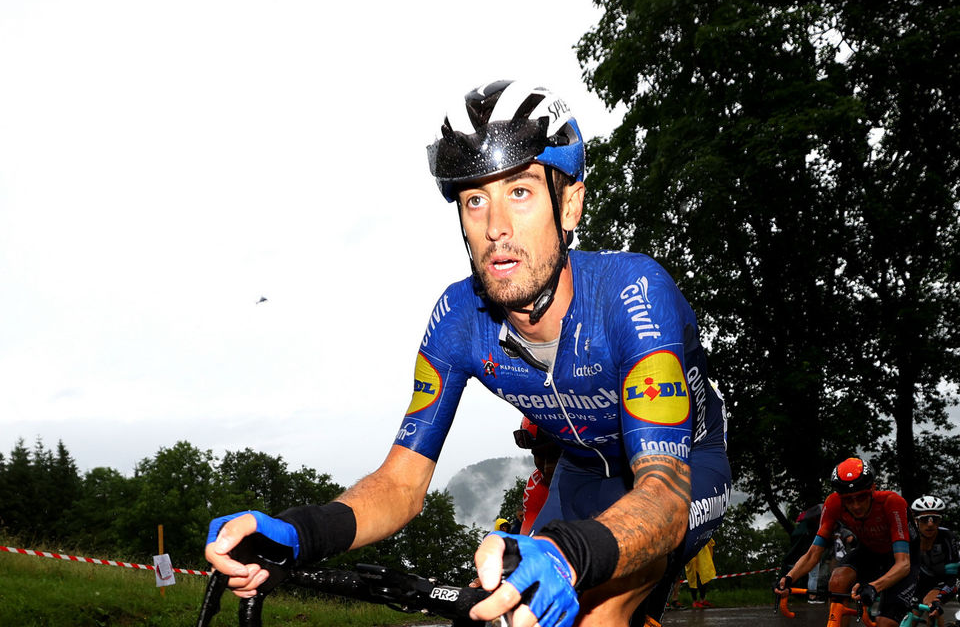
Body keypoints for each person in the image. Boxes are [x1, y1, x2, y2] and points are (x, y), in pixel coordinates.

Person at [204, 79, 731, 627]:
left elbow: (664, 495)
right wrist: (301, 532)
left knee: (598, 612)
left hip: (683, 469)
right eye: (475, 199)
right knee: (516, 611)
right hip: (578, 471)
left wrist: (570, 555)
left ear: (569, 204)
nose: (495, 228)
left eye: (520, 192)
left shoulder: (633, 294)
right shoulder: (458, 321)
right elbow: (401, 484)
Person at [775, 457, 916, 627]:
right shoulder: (833, 503)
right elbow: (813, 553)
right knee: (837, 581)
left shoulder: (891, 502)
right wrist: (788, 578)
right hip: (869, 551)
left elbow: (903, 564)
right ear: (840, 496)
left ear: (873, 488)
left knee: (885, 623)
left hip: (902, 558)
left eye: (862, 497)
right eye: (848, 499)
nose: (856, 506)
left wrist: (874, 586)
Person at [910, 495, 958, 627]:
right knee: (909, 619)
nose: (930, 524)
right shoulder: (910, 538)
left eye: (935, 520)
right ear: (916, 521)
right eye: (924, 519)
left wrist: (939, 598)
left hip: (945, 582)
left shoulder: (947, 537)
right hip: (920, 584)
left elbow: (953, 577)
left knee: (930, 604)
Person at [685, 538, 717, 608]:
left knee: (704, 576)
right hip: (691, 554)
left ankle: (702, 599)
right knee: (693, 578)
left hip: (703, 553)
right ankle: (695, 601)